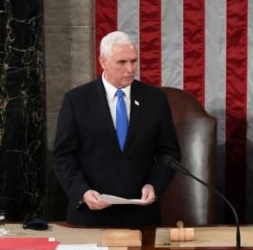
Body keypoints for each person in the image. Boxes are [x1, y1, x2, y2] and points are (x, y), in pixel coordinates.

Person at [52, 31, 180, 227]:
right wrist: (82, 192)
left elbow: (169, 153)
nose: (130, 69)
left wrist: (154, 185)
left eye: (134, 61)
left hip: (141, 216)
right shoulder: (77, 100)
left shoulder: (155, 99)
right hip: (90, 216)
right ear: (103, 61)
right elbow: (63, 156)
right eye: (121, 62)